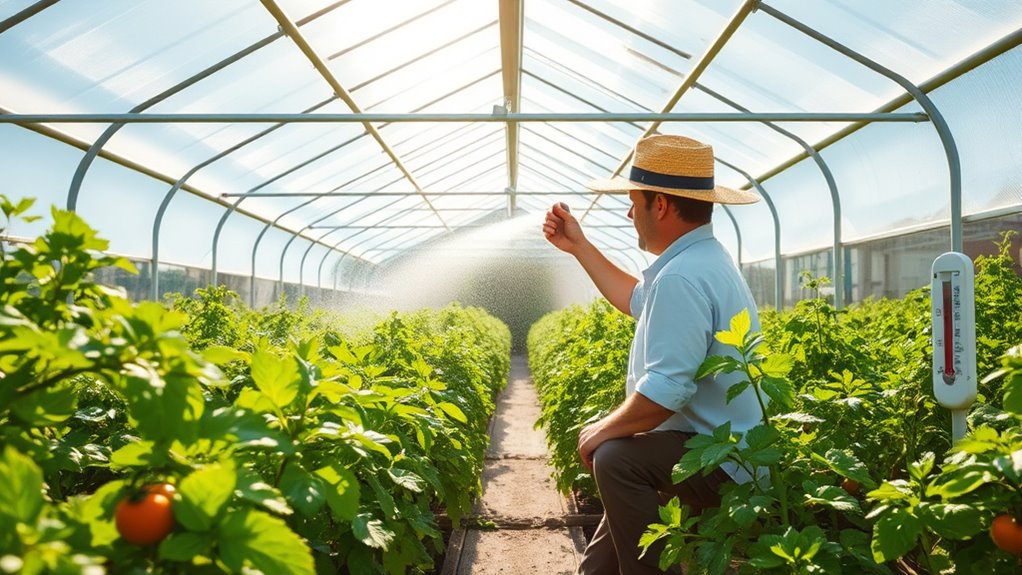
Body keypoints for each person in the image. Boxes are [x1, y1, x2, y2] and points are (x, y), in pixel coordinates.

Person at [543, 134, 764, 574]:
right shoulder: (701, 259)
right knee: (620, 485)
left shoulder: (682, 276)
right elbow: (634, 299)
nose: (629, 214)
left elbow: (666, 392)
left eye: (633, 202)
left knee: (617, 459)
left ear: (659, 205)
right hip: (719, 446)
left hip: (723, 460)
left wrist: (599, 431)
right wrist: (579, 246)